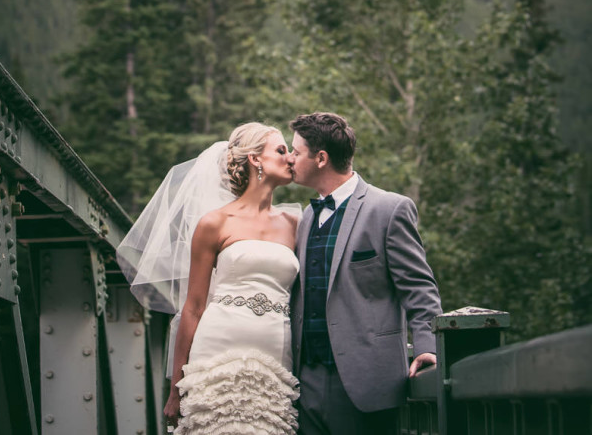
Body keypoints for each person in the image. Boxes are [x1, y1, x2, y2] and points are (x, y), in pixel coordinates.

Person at [118, 122, 300, 434]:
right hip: (218, 346)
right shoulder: (214, 223)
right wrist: (176, 387)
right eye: (281, 151)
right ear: (256, 159)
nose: (291, 158)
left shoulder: (295, 223)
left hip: (276, 351)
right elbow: (193, 307)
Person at [288, 111, 442, 435]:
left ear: (320, 158)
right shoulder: (305, 218)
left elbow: (418, 287)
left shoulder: (389, 209)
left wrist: (428, 345)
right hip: (305, 383)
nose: (289, 159)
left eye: (295, 152)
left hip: (368, 382)